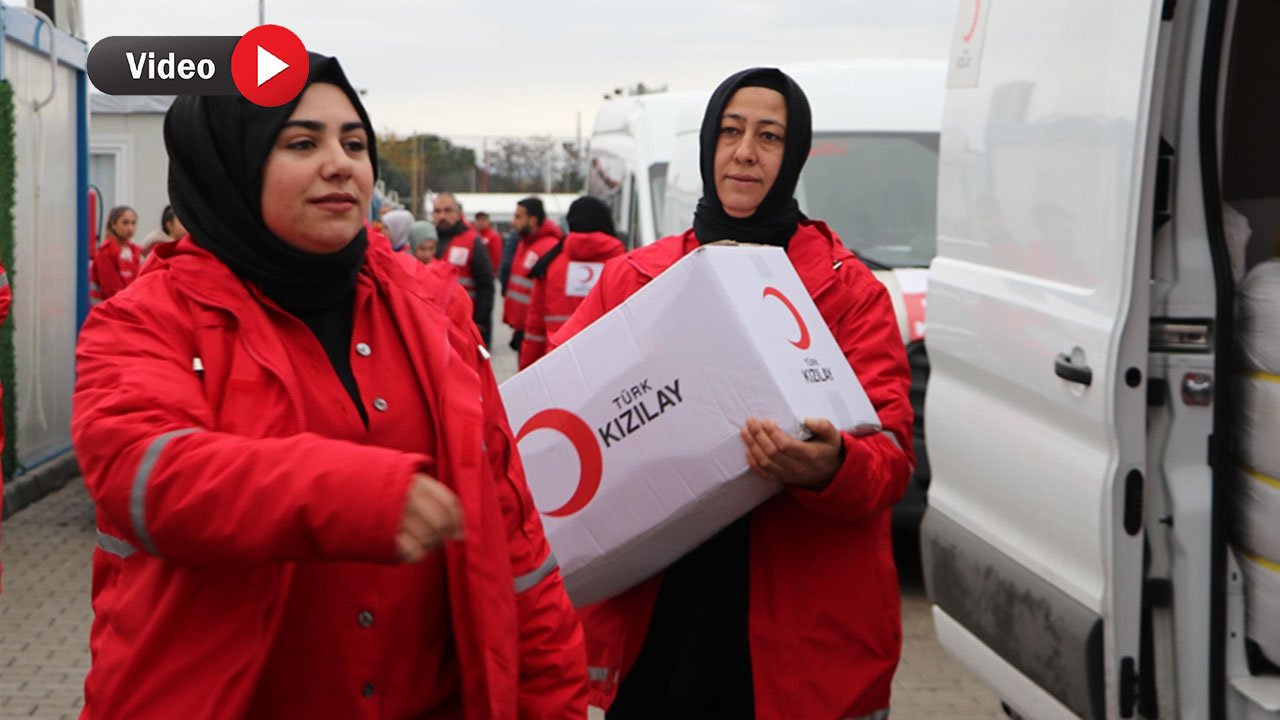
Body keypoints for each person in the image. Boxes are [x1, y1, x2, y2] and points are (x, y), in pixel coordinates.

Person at [71, 52, 587, 720]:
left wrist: (553, 700)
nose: (340, 162)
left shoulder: (436, 312)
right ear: (231, 162)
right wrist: (353, 493)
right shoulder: (144, 319)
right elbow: (146, 475)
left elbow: (516, 545)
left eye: (354, 142)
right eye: (302, 142)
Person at [553, 67, 915, 719]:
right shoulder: (633, 282)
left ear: (794, 155)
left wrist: (831, 467)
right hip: (654, 648)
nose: (745, 151)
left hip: (794, 660)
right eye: (731, 131)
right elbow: (557, 421)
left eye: (769, 136)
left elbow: (891, 462)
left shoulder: (850, 293)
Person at [519, 196, 623, 369]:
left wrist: (526, 371)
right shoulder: (623, 262)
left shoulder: (550, 264)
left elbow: (535, 327)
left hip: (559, 364)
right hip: (609, 365)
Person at [432, 192, 494, 347]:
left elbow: (486, 284)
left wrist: (480, 321)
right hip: (433, 324)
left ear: (459, 214)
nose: (442, 216)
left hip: (464, 324)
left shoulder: (472, 241)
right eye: (437, 211)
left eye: (447, 211)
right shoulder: (427, 241)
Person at [502, 197, 561, 352]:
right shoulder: (525, 243)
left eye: (518, 217)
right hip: (522, 328)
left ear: (533, 220)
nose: (513, 222)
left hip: (534, 331)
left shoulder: (549, 246)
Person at [89, 205, 143, 305]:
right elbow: (111, 290)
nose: (130, 228)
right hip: (111, 312)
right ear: (113, 224)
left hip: (130, 307)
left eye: (133, 223)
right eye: (125, 223)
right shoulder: (105, 252)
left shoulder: (136, 252)